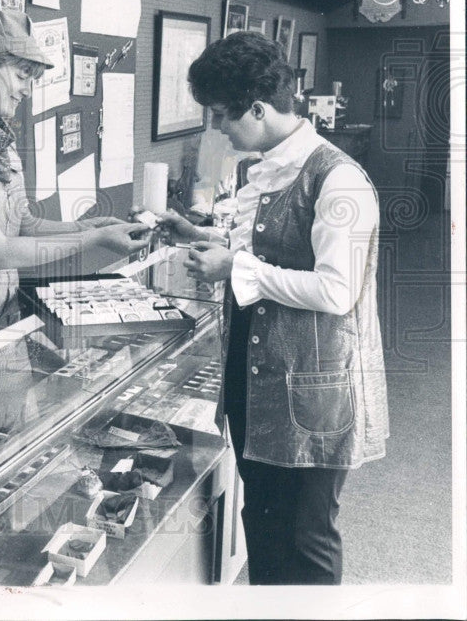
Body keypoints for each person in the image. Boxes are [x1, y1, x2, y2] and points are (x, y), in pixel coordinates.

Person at [157, 31, 388, 585]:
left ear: (257, 109)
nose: (216, 129)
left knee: (304, 536)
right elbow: (273, 245)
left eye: (220, 116)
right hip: (259, 383)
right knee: (263, 523)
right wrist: (201, 234)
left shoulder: (339, 180)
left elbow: (336, 291)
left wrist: (234, 269)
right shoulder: (266, 166)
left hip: (313, 395)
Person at [0, 10, 150, 426]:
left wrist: (90, 226)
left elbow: (24, 225)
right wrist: (92, 242)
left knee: (16, 436)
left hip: (0, 314)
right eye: (21, 76)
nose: (27, 90)